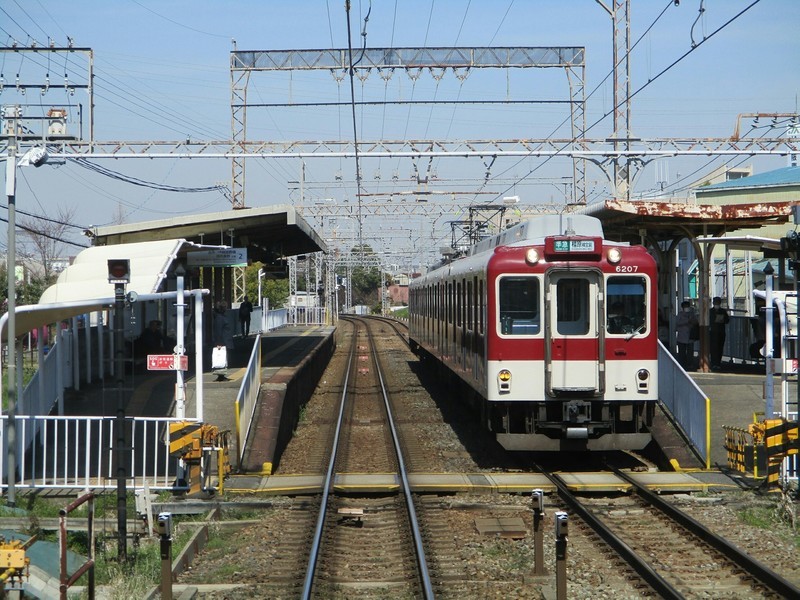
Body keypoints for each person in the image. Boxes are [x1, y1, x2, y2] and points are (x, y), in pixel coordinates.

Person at [212, 301, 234, 381]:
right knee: (222, 357)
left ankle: (222, 375)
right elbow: (218, 331)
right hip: (223, 342)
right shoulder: (220, 318)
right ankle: (220, 375)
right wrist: (219, 343)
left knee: (224, 358)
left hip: (225, 341)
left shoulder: (220, 317)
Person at [709, 296, 730, 370]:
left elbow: (727, 320)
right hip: (713, 332)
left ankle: (718, 363)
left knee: (720, 348)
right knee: (713, 348)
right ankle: (713, 363)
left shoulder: (723, 311)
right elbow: (708, 321)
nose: (716, 304)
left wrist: (722, 319)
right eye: (715, 303)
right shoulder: (710, 311)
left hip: (721, 332)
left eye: (718, 303)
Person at [676, 301, 698, 370]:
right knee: (682, 352)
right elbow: (677, 323)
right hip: (681, 336)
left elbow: (696, 322)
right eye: (685, 306)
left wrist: (692, 322)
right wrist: (686, 322)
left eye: (687, 306)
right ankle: (682, 364)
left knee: (690, 352)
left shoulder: (692, 314)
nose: (687, 308)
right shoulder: (680, 314)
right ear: (682, 307)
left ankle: (690, 364)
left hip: (690, 336)